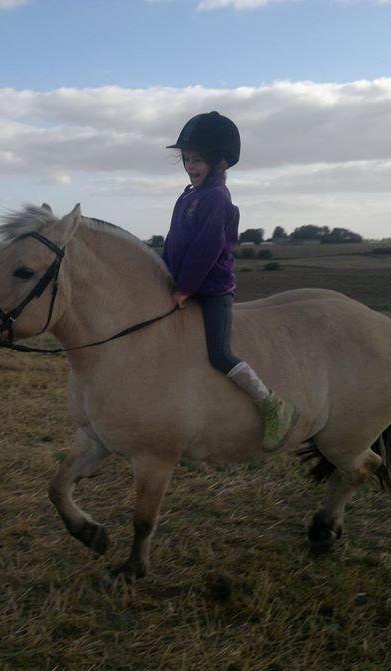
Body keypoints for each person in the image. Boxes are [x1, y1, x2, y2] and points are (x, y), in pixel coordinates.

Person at [162, 111, 297, 451]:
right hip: (183, 286)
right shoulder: (188, 196)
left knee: (219, 354)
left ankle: (272, 406)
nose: (190, 166)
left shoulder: (217, 199)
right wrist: (162, 273)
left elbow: (205, 250)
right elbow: (173, 241)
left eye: (197, 160)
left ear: (220, 162)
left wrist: (185, 289)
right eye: (187, 159)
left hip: (211, 293)